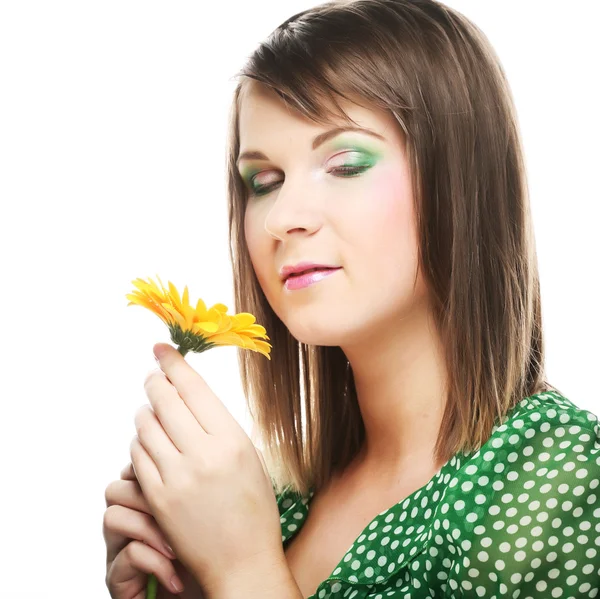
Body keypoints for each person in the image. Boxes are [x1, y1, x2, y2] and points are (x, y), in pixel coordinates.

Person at [104, 0, 600, 597]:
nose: (282, 219)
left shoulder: (557, 474)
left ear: (460, 181)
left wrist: (241, 569)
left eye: (344, 164)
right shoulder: (282, 496)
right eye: (264, 182)